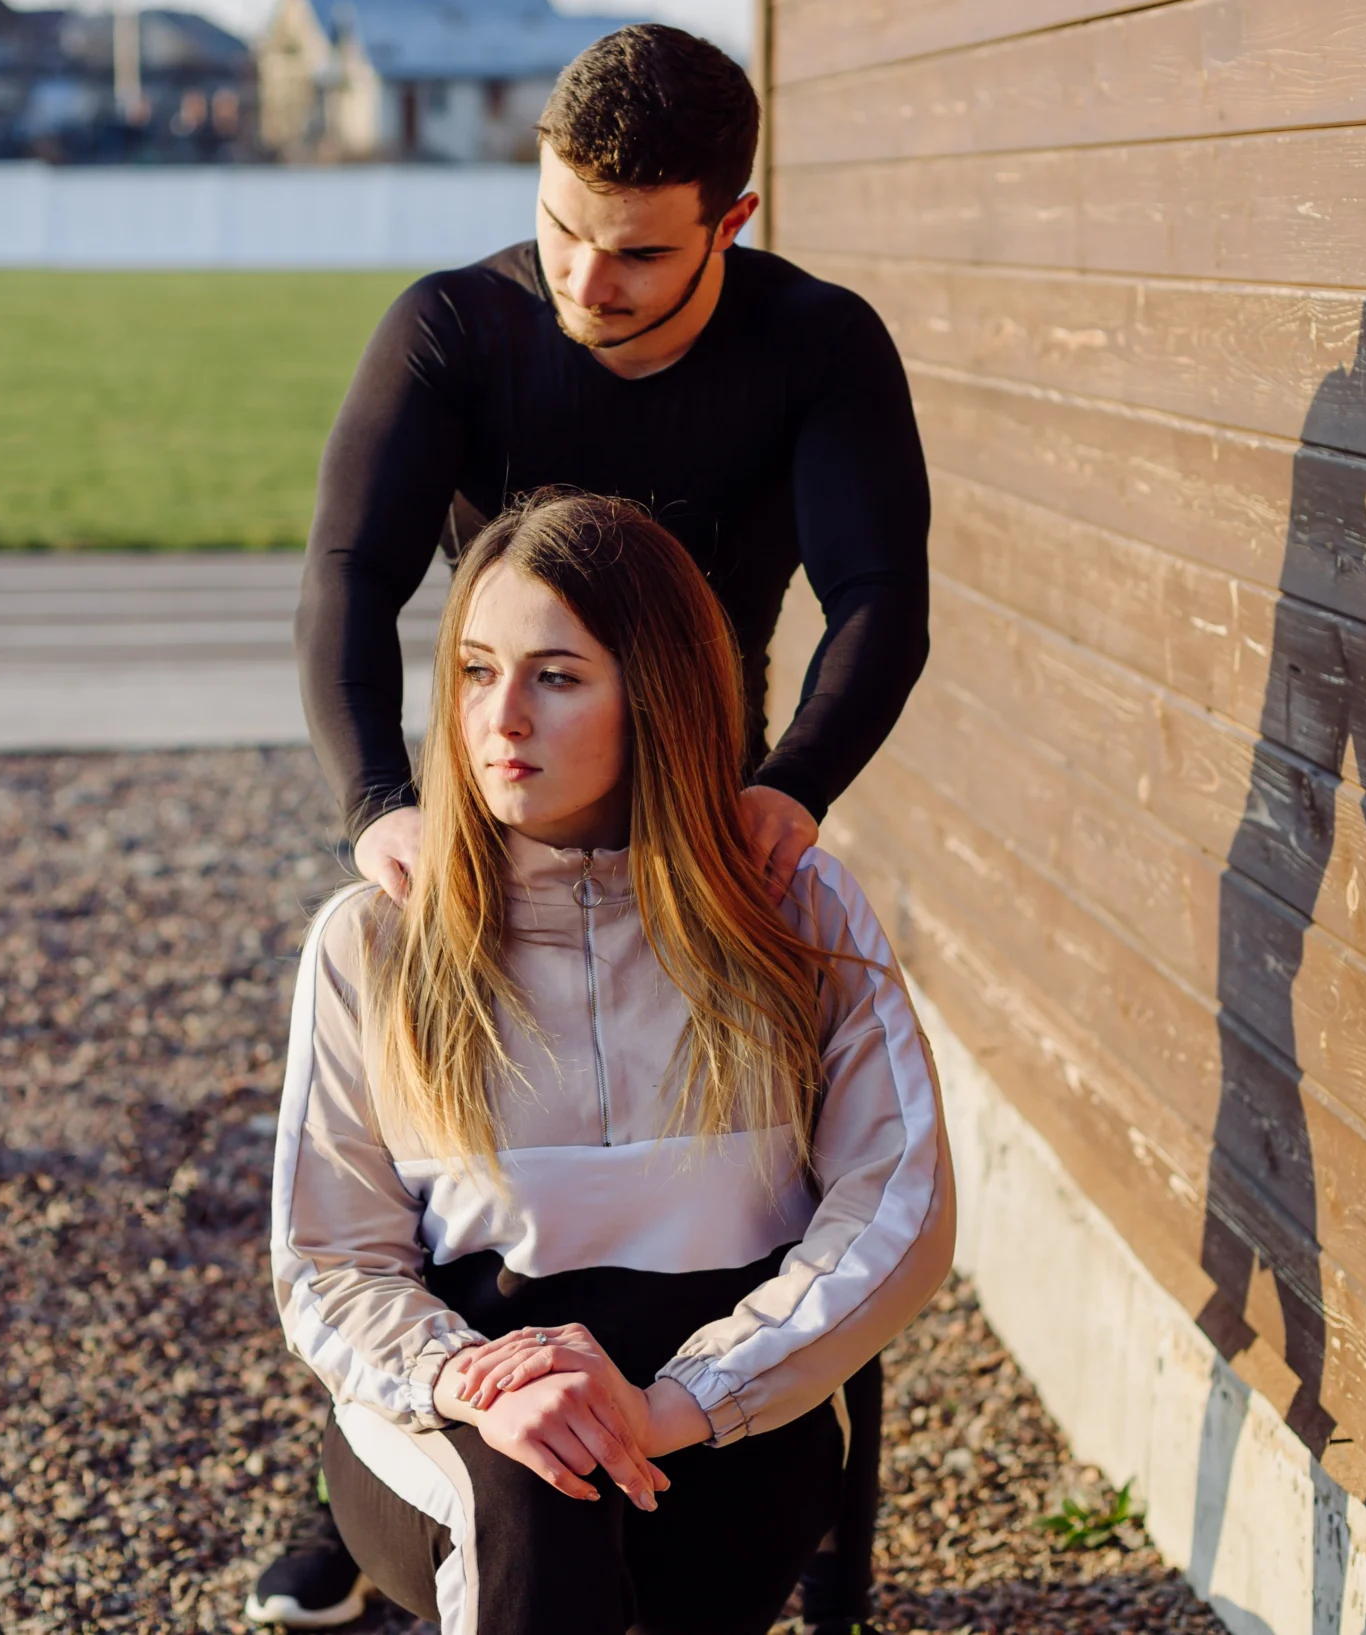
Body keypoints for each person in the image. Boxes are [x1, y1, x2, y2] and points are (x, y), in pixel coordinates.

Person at [266, 24, 931, 1631]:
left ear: (732, 219)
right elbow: (350, 575)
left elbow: (879, 595)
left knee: (747, 1160)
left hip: (705, 780)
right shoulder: (457, 328)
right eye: (562, 226)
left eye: (635, 251)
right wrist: (377, 807)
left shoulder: (813, 344)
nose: (586, 275)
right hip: (494, 786)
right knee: (438, 1140)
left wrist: (793, 788)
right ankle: (369, 1476)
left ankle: (762, 1457)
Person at [271, 494, 953, 1635]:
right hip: (464, 1418)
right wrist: (475, 1384)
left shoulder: (792, 912)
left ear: (659, 694)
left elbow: (898, 1204)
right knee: (536, 1496)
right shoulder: (377, 938)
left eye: (555, 676)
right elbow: (328, 1262)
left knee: (638, 1517)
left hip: (722, 1412)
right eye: (476, 671)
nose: (501, 718)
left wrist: (673, 1404)